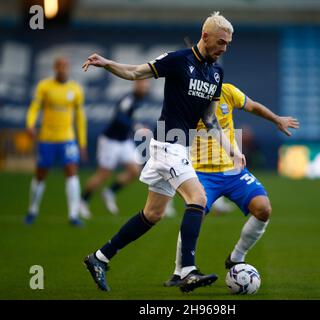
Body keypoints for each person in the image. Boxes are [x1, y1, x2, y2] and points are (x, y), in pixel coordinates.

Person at [81, 11, 245, 293]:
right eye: (220, 42)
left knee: (153, 214)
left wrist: (232, 149)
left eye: (228, 43)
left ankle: (99, 257)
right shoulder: (179, 60)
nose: (224, 48)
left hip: (177, 147)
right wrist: (107, 64)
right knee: (198, 198)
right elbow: (136, 72)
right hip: (167, 144)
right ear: (205, 36)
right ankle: (188, 271)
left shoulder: (216, 73)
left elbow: (210, 120)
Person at [163, 83, 299, 287]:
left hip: (234, 170)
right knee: (195, 214)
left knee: (263, 209)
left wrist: (276, 119)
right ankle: (179, 271)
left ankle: (237, 257)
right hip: (201, 173)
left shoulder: (227, 91)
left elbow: (253, 106)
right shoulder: (187, 97)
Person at [24, 57, 87, 227]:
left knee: (72, 172)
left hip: (67, 138)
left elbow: (80, 118)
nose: (62, 69)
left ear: (68, 68)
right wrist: (30, 124)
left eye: (65, 66)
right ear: (54, 68)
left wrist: (82, 142)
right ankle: (32, 210)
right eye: (59, 66)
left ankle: (73, 215)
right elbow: (34, 107)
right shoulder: (45, 86)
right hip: (47, 138)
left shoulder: (75, 89)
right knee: (40, 174)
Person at [79, 80, 154, 218]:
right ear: (136, 85)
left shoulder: (139, 100)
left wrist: (138, 126)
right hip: (110, 141)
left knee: (134, 170)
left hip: (124, 141)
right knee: (103, 175)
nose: (144, 89)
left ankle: (110, 192)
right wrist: (136, 127)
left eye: (146, 86)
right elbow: (119, 117)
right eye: (142, 86)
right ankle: (83, 201)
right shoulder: (128, 99)